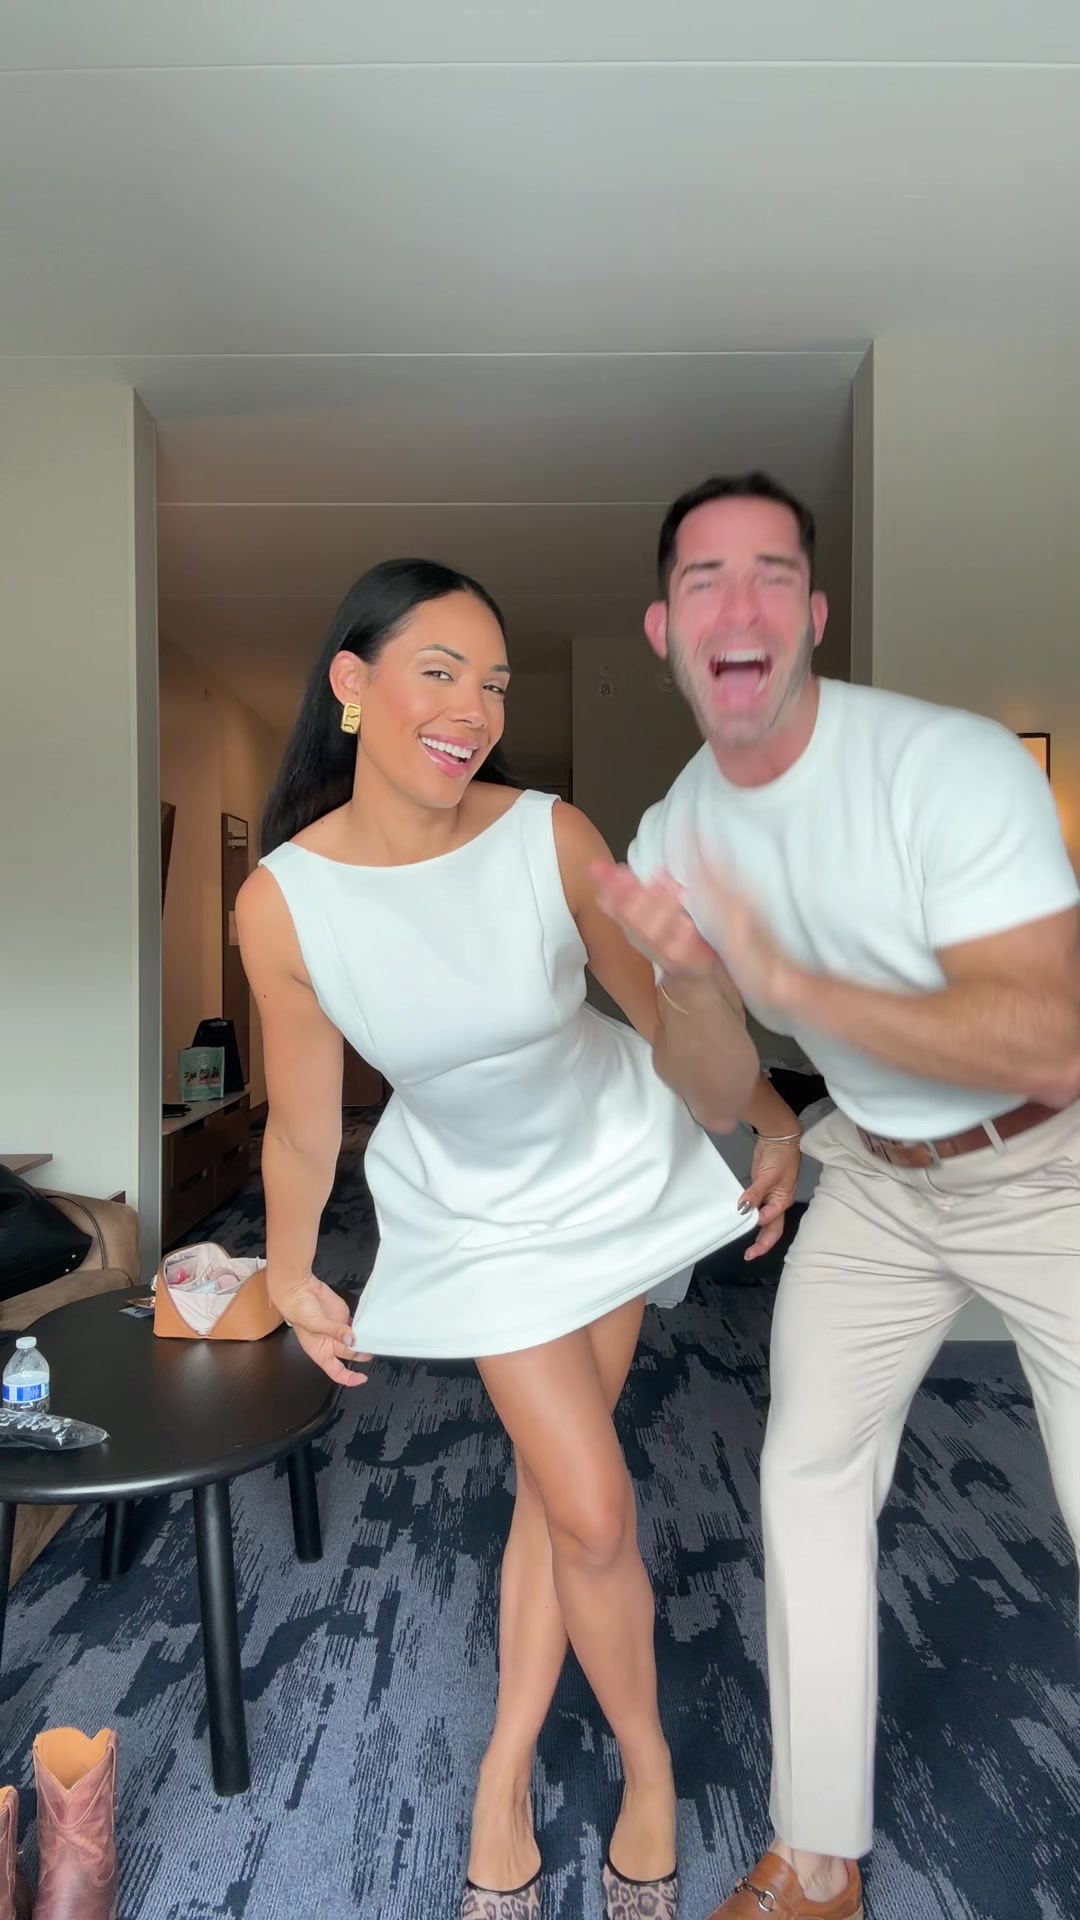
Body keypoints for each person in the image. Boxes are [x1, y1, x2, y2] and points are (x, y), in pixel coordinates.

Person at [235, 557, 776, 1920]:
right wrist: (288, 1269)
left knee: (557, 1492)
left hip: (612, 1164)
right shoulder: (284, 902)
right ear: (352, 685)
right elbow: (301, 1125)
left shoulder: (546, 831)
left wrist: (769, 1114)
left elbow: (662, 1014)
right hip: (477, 1214)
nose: (474, 710)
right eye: (439, 673)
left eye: (494, 683)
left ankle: (522, 1769)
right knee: (590, 1501)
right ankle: (626, 1770)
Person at [593, 472, 1080, 1920]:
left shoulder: (948, 764)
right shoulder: (675, 829)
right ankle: (816, 1861)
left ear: (813, 614)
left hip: (1049, 1164)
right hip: (875, 1169)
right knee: (805, 1469)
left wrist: (795, 979)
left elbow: (1049, 1035)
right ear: (665, 632)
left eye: (771, 575)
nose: (737, 605)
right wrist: (695, 984)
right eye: (703, 581)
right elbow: (711, 1082)